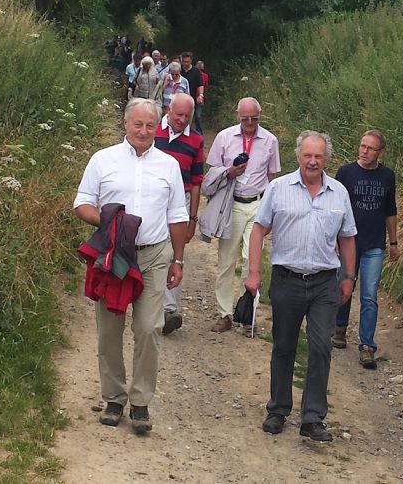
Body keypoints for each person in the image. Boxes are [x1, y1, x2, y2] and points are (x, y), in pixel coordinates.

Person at [73, 98, 188, 435]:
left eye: (150, 125)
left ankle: (140, 403)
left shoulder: (168, 165)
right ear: (125, 124)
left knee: (149, 328)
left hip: (153, 255)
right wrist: (109, 222)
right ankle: (113, 398)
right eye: (137, 124)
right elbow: (82, 203)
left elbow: (178, 216)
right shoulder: (102, 160)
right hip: (113, 256)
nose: (143, 131)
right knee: (110, 327)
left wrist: (177, 259)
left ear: (158, 126)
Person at [245, 131, 357, 442]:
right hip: (287, 280)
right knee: (284, 345)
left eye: (318, 156)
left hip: (325, 283)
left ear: (326, 159)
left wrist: (349, 276)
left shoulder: (339, 193)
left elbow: (347, 237)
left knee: (321, 346)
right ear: (298, 156)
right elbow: (258, 231)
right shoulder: (278, 188)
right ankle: (278, 409)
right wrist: (253, 272)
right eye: (307, 155)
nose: (312, 161)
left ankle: (312, 417)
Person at [207, 97, 281, 332]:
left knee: (252, 261)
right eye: (245, 118)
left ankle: (248, 313)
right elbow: (212, 172)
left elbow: (272, 177)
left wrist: (270, 210)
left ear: (261, 116)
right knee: (227, 260)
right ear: (237, 115)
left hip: (257, 204)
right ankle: (225, 313)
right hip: (232, 203)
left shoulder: (270, 140)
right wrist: (229, 172)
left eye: (254, 118)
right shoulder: (224, 137)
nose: (250, 122)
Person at [331, 130, 399, 369]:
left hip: (374, 244)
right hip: (348, 241)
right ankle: (339, 328)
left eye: (370, 148)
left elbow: (391, 210)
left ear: (381, 152)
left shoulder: (387, 176)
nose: (364, 151)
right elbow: (334, 208)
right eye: (362, 146)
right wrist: (333, 239)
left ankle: (367, 345)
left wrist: (393, 243)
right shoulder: (346, 173)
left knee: (369, 295)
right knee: (344, 286)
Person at [154, 93, 204, 334]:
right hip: (152, 198)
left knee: (175, 252)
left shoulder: (196, 140)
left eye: (187, 116)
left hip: (180, 199)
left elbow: (196, 182)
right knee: (148, 247)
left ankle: (168, 310)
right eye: (179, 115)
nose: (182, 120)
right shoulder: (152, 132)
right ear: (168, 110)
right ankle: (146, 302)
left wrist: (193, 218)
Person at [180, 51, 205, 134]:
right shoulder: (178, 70)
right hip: (180, 99)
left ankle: (198, 134)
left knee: (195, 117)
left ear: (191, 61)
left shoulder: (196, 71)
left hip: (193, 98)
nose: (186, 63)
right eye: (184, 61)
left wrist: (201, 95)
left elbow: (200, 84)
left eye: (188, 61)